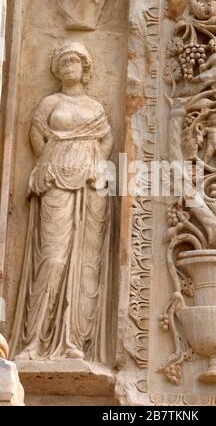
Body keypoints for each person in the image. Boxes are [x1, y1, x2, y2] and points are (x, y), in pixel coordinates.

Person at [10, 42, 114, 362]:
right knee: (53, 258)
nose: (70, 66)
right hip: (56, 179)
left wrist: (96, 166)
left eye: (75, 61)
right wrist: (52, 161)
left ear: (85, 68)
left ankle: (74, 341)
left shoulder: (96, 107)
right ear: (57, 69)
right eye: (64, 61)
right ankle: (35, 340)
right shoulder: (49, 102)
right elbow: (36, 134)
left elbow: (106, 138)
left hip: (90, 183)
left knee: (83, 262)